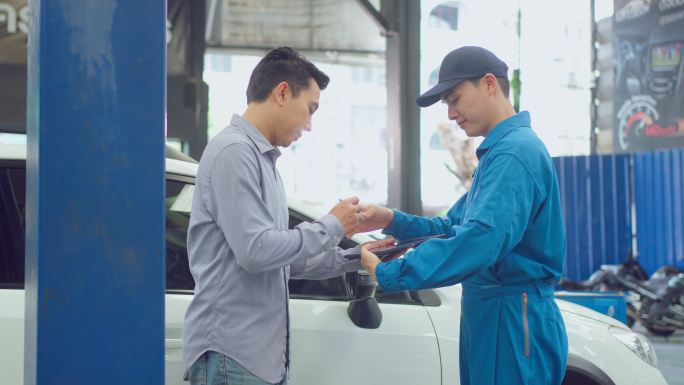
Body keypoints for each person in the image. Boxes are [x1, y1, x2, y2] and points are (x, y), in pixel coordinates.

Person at [358, 46, 568, 385]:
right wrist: (391, 219)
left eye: (455, 99)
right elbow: (452, 226)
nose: (452, 114)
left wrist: (392, 272)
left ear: (488, 84)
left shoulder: (515, 154)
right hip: (493, 313)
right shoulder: (500, 154)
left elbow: (480, 240)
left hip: (512, 317)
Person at [182, 47, 392, 385]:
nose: (308, 126)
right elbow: (256, 252)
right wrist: (332, 224)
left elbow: (283, 260)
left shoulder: (261, 159)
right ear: (282, 92)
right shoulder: (235, 153)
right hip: (233, 355)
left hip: (255, 358)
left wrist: (358, 256)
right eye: (309, 110)